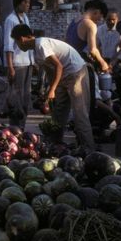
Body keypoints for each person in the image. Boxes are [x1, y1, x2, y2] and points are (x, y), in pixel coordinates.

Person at [10, 24, 96, 152]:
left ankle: (89, 150)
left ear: (22, 39)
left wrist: (52, 90)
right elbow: (50, 71)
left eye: (16, 42)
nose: (17, 46)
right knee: (59, 113)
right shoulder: (36, 51)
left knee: (80, 114)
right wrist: (49, 91)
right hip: (63, 76)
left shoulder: (41, 44)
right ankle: (56, 145)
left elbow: (59, 66)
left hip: (76, 73)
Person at [2, 0, 35, 128]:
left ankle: (22, 127)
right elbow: (8, 45)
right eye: (25, 2)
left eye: (28, 2)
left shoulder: (25, 18)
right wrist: (10, 67)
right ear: (18, 3)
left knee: (26, 98)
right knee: (17, 99)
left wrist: (34, 60)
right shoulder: (11, 20)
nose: (27, 5)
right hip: (17, 64)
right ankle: (15, 128)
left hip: (28, 63)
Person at [66, 0, 110, 73]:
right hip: (76, 65)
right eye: (99, 18)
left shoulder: (74, 21)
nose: (98, 21)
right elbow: (93, 50)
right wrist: (103, 63)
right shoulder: (90, 24)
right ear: (97, 12)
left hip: (67, 61)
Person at [97, 9, 121, 103]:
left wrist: (112, 63)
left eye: (114, 19)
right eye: (109, 19)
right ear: (105, 19)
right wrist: (101, 61)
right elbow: (97, 46)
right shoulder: (100, 29)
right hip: (105, 60)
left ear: (117, 19)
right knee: (102, 83)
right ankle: (107, 104)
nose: (111, 22)